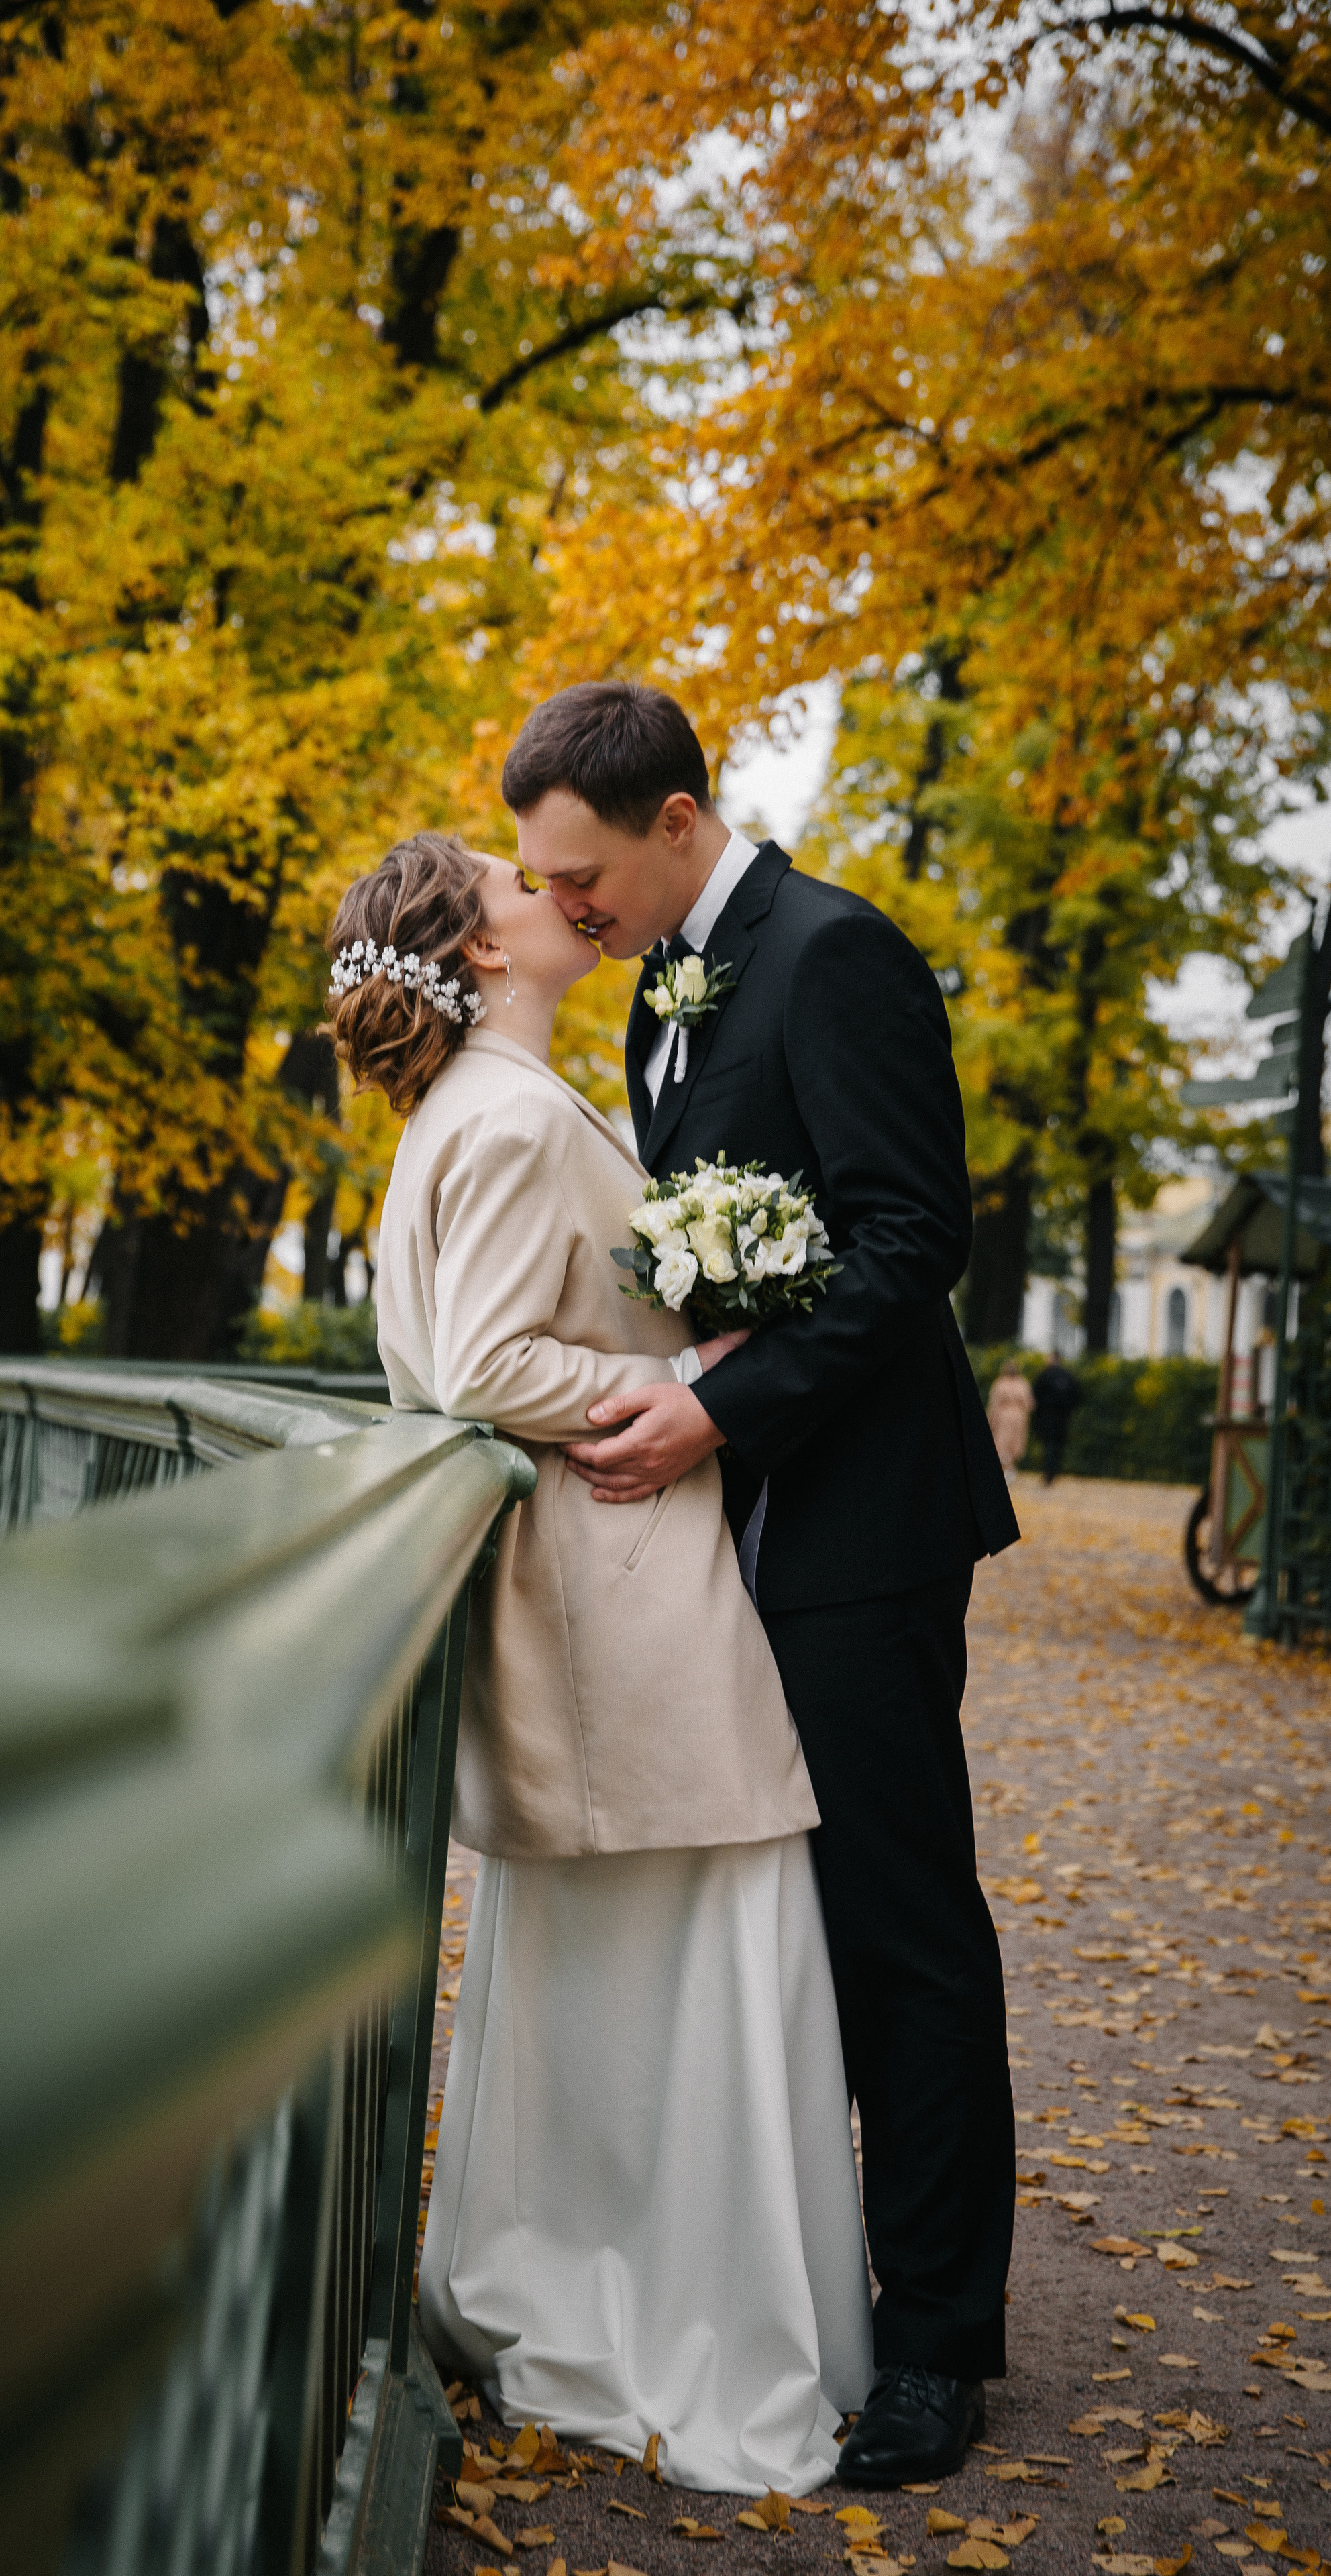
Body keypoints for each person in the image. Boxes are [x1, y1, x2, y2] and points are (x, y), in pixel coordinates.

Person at [502, 680, 1021, 2487]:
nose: (564, 908)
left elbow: (908, 1236)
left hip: (865, 1527)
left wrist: (719, 1408)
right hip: (755, 1530)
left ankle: (940, 2341)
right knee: (791, 1935)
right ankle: (814, 2291)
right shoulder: (663, 978)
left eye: (581, 874)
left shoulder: (833, 951)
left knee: (900, 1926)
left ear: (674, 822)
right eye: (543, 882)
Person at [329, 830, 874, 2493]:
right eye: (515, 882)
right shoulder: (500, 1118)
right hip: (617, 1587)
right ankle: (681, 2316)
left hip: (603, 1582)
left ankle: (597, 2285)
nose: (554, 890)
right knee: (715, 1935)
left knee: (651, 1969)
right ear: (480, 952)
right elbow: (486, 1362)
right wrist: (686, 1386)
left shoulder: (481, 1107)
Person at [1030, 1357, 1081, 1485]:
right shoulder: (1068, 1376)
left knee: (1049, 1444)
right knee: (1058, 1445)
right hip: (1063, 1417)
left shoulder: (1044, 1375)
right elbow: (1077, 1394)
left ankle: (1048, 1472)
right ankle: (1055, 1471)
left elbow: (1035, 1395)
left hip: (1047, 1416)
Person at [986, 1360, 1035, 1479]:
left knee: (1002, 1443)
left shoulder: (1000, 1383)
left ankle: (1008, 1469)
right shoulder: (1023, 1383)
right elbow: (1030, 1404)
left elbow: (994, 1405)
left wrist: (990, 1420)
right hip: (1019, 1416)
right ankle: (1009, 1469)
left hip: (1004, 1415)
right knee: (1014, 1443)